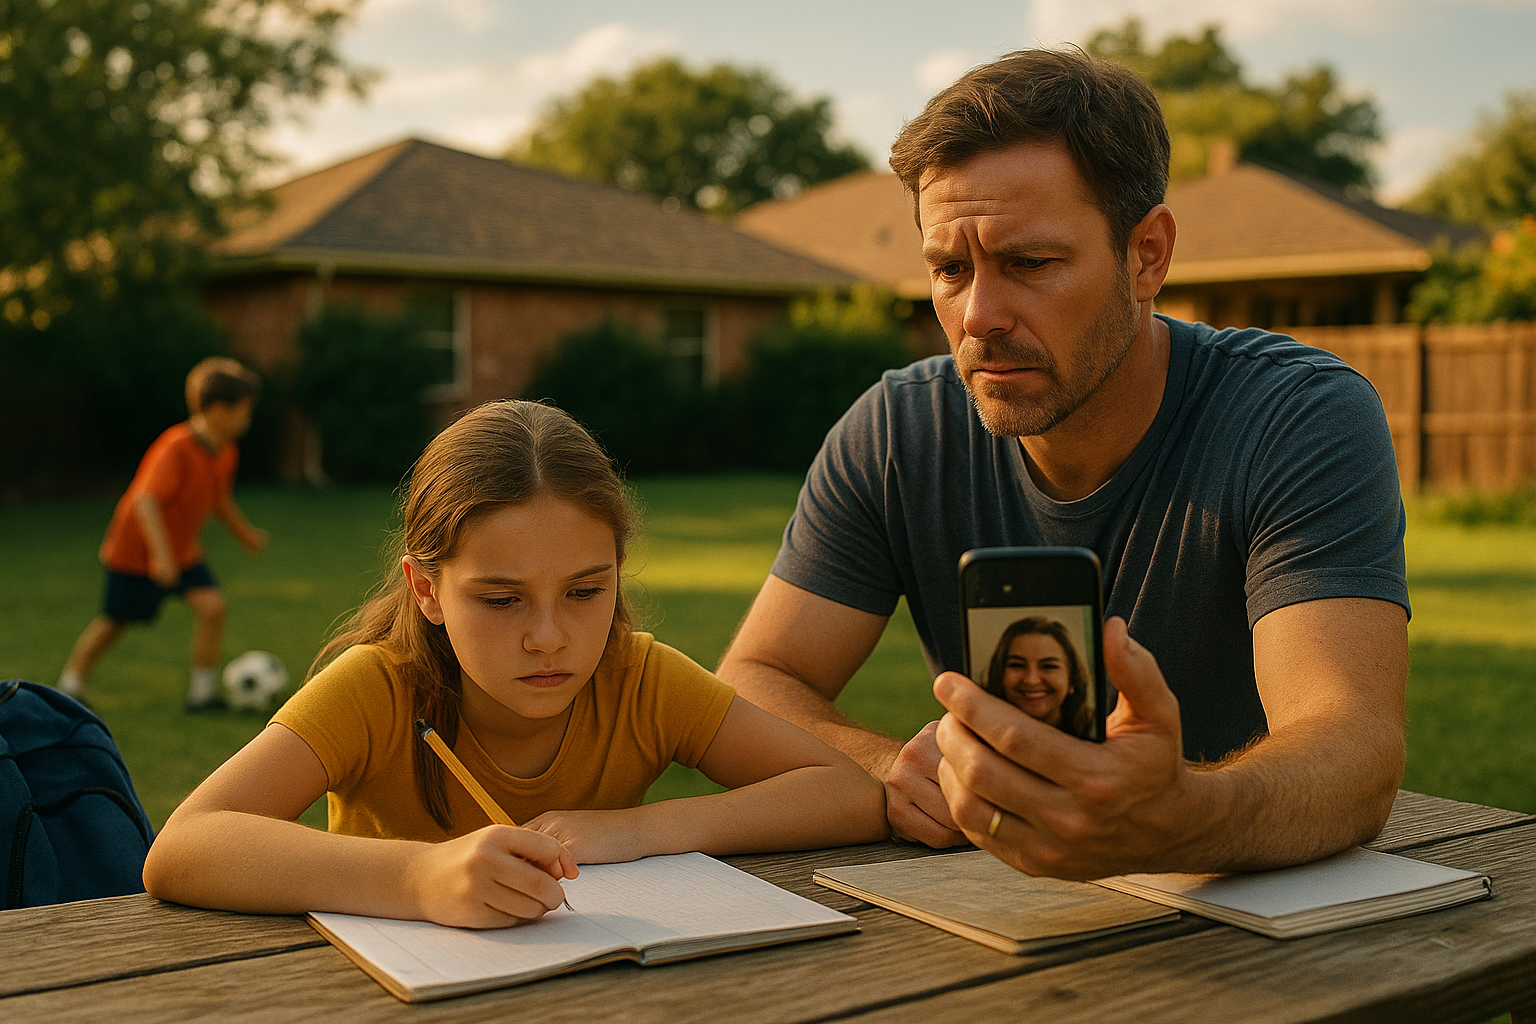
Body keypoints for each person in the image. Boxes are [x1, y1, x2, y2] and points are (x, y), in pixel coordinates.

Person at [716, 48, 1410, 880]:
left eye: (1030, 264)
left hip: (1255, 916)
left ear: (1147, 254)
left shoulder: (1294, 416)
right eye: (949, 269)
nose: (979, 316)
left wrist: (1176, 818)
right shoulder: (898, 431)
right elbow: (755, 677)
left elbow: (1355, 746)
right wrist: (887, 766)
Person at [143, 400, 886, 926]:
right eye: (501, 600)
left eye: (585, 591)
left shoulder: (639, 680)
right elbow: (183, 847)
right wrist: (418, 877)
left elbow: (846, 795)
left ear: (618, 572)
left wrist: (642, 830)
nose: (549, 637)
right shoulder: (377, 689)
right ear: (427, 590)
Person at [57, 357, 268, 711]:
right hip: (136, 552)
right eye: (244, 411)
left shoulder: (225, 452)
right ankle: (70, 683)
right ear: (218, 410)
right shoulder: (176, 448)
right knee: (117, 621)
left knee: (213, 607)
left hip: (182, 552)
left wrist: (245, 536)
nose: (248, 419)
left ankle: (200, 695)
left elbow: (218, 501)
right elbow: (146, 501)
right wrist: (160, 555)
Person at [983, 617, 1091, 736]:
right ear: (999, 674)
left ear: (1072, 680)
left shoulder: (1100, 732)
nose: (1031, 680)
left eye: (1048, 666)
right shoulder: (975, 734)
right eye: (1017, 665)